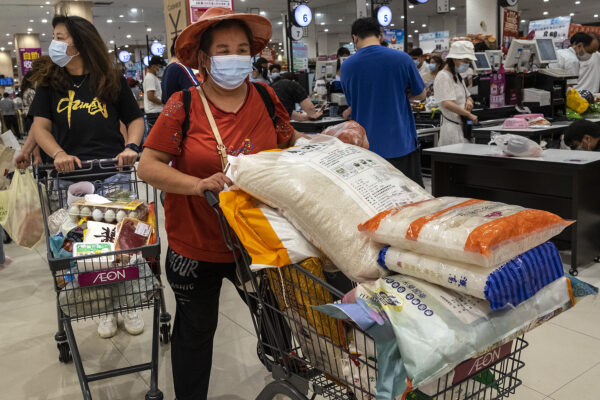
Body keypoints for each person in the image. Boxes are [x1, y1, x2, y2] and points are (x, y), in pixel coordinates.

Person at [137, 8, 312, 400]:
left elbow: (289, 139)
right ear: (204, 58)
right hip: (195, 246)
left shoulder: (267, 97)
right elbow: (147, 166)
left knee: (277, 323)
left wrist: (321, 144)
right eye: (223, 49)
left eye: (242, 48)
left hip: (257, 241)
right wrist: (198, 184)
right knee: (196, 334)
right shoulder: (182, 105)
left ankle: (289, 385)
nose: (234, 57)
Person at [14, 15, 145, 338]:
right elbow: (40, 127)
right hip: (69, 179)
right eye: (54, 36)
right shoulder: (50, 85)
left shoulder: (110, 79)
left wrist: (130, 145)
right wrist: (57, 153)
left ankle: (127, 301)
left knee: (120, 246)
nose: (55, 43)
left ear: (81, 42)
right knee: (87, 250)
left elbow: (135, 118)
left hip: (113, 174)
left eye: (61, 37)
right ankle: (105, 307)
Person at [341, 17, 426, 186]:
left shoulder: (347, 66)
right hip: (400, 143)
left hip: (366, 147)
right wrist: (400, 94)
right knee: (409, 198)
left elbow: (353, 101)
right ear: (380, 36)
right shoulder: (403, 59)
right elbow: (421, 94)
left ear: (355, 38)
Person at [433, 41, 478, 146]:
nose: (467, 64)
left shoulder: (457, 75)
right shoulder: (443, 76)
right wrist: (469, 114)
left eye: (469, 62)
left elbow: (468, 95)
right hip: (452, 129)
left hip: (462, 126)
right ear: (454, 59)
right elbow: (447, 103)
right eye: (465, 61)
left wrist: (469, 101)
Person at [161, 35, 200, 104]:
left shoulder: (168, 69)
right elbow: (198, 93)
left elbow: (164, 99)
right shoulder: (181, 67)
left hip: (173, 112)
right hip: (186, 113)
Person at [143, 55, 166, 132]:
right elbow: (151, 96)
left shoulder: (153, 77)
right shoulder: (150, 78)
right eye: (159, 67)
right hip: (154, 113)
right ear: (153, 66)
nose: (160, 69)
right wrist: (164, 103)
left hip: (156, 112)